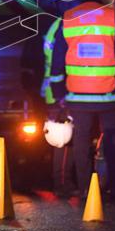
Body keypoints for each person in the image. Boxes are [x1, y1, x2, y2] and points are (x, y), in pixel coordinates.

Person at [49, 0, 115, 199]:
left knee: (82, 140)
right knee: (112, 139)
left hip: (77, 94)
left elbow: (57, 62)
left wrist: (58, 93)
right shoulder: (111, 16)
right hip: (108, 93)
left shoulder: (69, 18)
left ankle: (85, 189)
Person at [41, 15, 76, 196]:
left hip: (57, 90)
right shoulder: (65, 25)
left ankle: (63, 183)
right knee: (64, 140)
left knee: (64, 140)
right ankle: (63, 184)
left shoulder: (58, 24)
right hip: (61, 92)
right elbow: (59, 60)